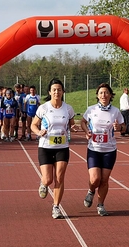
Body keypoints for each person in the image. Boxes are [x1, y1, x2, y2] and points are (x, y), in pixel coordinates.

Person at [31, 78, 76, 219]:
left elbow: (71, 124)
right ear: (50, 92)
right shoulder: (43, 108)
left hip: (62, 147)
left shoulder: (68, 109)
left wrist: (73, 128)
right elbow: (33, 125)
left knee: (59, 178)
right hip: (45, 146)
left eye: (59, 89)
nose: (57, 92)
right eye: (54, 89)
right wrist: (38, 132)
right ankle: (43, 183)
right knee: (49, 179)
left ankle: (56, 207)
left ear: (63, 92)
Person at [81, 83, 125, 217]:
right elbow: (82, 122)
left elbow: (123, 127)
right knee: (95, 179)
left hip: (109, 150)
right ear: (97, 95)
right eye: (101, 93)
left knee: (104, 180)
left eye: (106, 93)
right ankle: (91, 190)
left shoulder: (115, 111)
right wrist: (86, 131)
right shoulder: (91, 109)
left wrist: (119, 128)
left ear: (110, 95)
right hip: (94, 149)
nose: (103, 95)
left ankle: (100, 205)